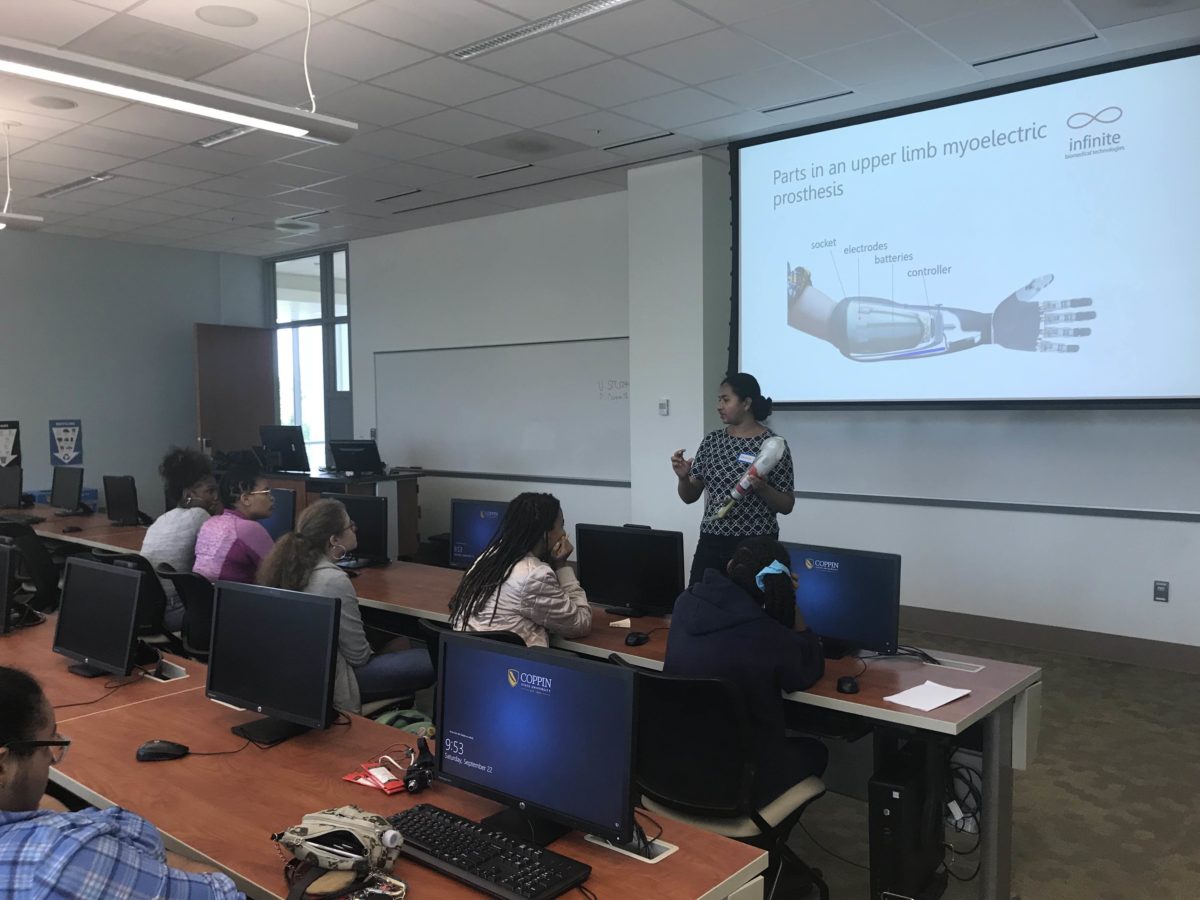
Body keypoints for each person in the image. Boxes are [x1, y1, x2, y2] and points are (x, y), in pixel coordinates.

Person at [0, 666, 243, 899]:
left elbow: (44, 804)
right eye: (48, 745)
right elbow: (223, 894)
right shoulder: (59, 862)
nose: (51, 761)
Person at [664, 537, 826, 808]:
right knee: (816, 752)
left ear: (729, 566)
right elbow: (807, 670)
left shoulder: (684, 604)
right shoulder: (766, 635)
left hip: (673, 772)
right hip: (739, 782)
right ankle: (762, 842)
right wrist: (790, 602)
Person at [257, 500, 434, 714]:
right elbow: (358, 657)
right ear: (334, 540)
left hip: (299, 673)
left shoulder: (288, 567)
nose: (355, 529)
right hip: (334, 681)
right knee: (431, 659)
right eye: (350, 526)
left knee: (399, 640)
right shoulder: (332, 580)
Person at [671, 373, 795, 586]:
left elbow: (786, 505)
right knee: (701, 604)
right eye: (719, 400)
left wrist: (763, 488)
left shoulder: (773, 445)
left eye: (726, 400)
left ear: (746, 403)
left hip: (756, 547)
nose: (719, 405)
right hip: (712, 541)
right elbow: (689, 496)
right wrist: (683, 479)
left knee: (752, 611)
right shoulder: (712, 441)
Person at [448, 492, 591, 648]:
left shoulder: (488, 557)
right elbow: (580, 624)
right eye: (561, 526)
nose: (563, 533)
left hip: (471, 658)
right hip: (512, 667)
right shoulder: (535, 575)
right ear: (545, 533)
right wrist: (562, 566)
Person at [141, 447, 222, 631]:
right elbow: (219, 568)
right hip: (179, 614)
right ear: (188, 494)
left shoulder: (162, 520)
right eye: (210, 491)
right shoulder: (199, 516)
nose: (216, 497)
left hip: (153, 612)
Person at [192, 462, 274, 584]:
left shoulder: (209, 524)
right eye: (266, 493)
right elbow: (280, 574)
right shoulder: (251, 529)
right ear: (245, 499)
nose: (272, 498)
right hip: (237, 601)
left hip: (208, 600)